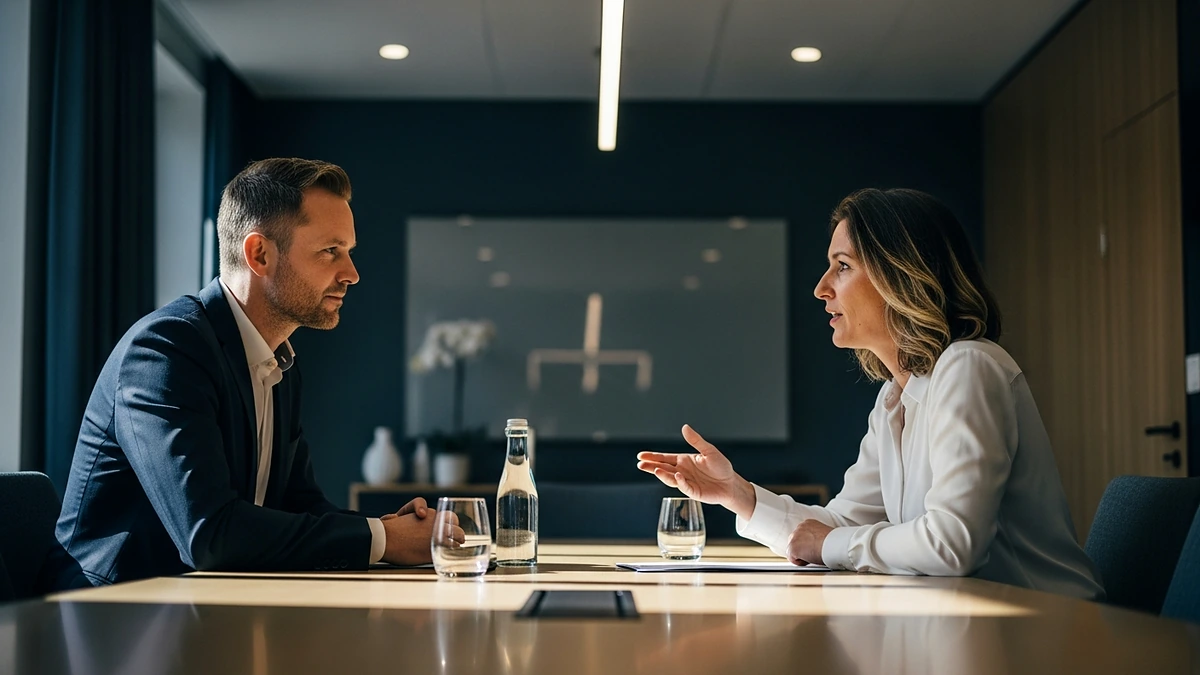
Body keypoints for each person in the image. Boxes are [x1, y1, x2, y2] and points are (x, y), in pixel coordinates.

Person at [637, 188, 1103, 600]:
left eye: (842, 267)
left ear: (901, 275)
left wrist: (830, 544)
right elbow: (841, 527)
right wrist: (737, 494)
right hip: (979, 628)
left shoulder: (969, 367)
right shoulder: (894, 399)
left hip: (1052, 634)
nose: (821, 289)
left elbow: (952, 543)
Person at [55, 158, 453, 586]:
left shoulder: (278, 358)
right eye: (330, 252)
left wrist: (390, 530)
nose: (351, 274)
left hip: (207, 608)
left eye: (348, 253)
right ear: (259, 254)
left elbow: (298, 507)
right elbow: (208, 535)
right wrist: (382, 540)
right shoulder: (166, 351)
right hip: (111, 621)